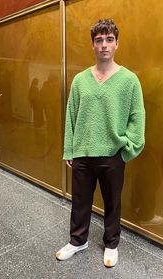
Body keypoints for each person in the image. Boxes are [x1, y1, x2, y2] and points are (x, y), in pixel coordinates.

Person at [56, 19, 145, 267]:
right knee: (80, 201)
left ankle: (111, 243)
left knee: (112, 202)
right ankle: (78, 240)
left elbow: (137, 118)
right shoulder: (80, 80)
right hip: (83, 153)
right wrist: (69, 149)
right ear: (93, 45)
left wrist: (128, 148)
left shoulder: (129, 80)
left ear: (116, 43)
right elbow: (71, 115)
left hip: (113, 153)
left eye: (109, 39)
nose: (104, 45)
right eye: (99, 40)